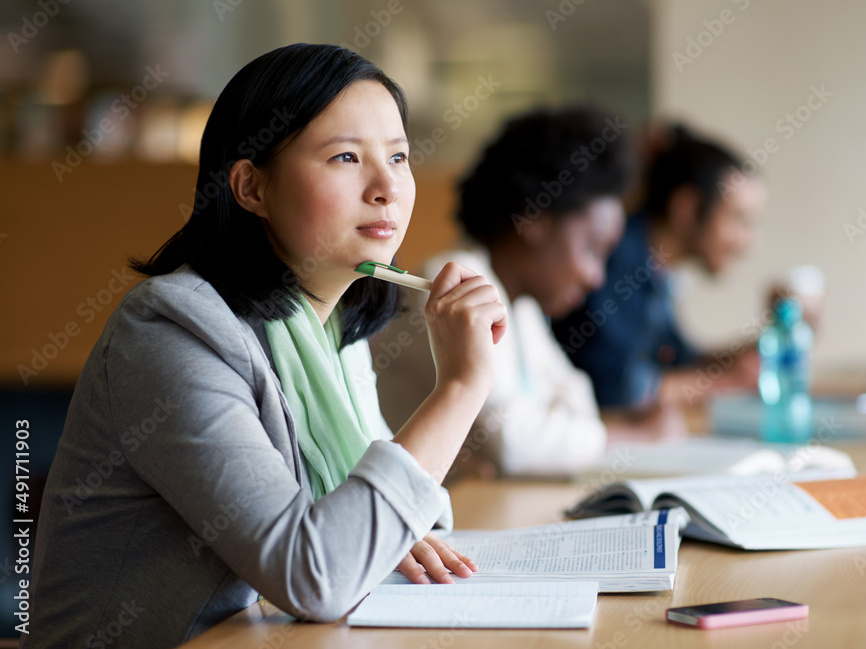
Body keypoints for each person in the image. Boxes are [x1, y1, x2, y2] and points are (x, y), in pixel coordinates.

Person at [22, 44, 507, 649]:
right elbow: (316, 575)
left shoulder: (332, 331)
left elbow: (416, 526)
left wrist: (378, 529)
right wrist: (461, 387)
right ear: (252, 186)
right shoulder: (172, 329)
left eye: (400, 156)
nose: (387, 187)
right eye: (346, 156)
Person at [375, 106, 679, 479]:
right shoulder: (451, 281)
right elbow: (514, 444)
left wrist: (554, 432)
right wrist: (638, 436)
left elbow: (577, 401)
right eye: (591, 248)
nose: (595, 277)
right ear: (534, 220)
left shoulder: (521, 307)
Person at [552, 124, 767, 409]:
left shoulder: (658, 272)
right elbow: (616, 390)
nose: (746, 242)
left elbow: (678, 360)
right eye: (738, 220)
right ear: (687, 209)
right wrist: (729, 382)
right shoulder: (616, 262)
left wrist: (767, 343)